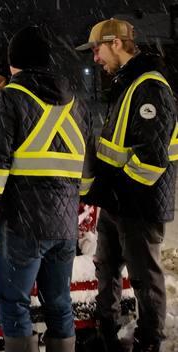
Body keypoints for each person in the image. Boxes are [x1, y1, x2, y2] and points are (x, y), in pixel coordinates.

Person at [0, 25, 95, 352]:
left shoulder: (8, 98)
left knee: (14, 304)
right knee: (59, 303)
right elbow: (88, 170)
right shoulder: (76, 104)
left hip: (22, 225)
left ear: (14, 63)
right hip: (65, 226)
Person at [76, 18, 178, 352]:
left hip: (139, 206)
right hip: (118, 203)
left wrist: (118, 192)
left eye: (97, 50)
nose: (95, 58)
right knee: (106, 266)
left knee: (145, 279)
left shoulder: (150, 88)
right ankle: (106, 330)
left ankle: (148, 342)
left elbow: (151, 159)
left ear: (116, 43)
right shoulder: (127, 84)